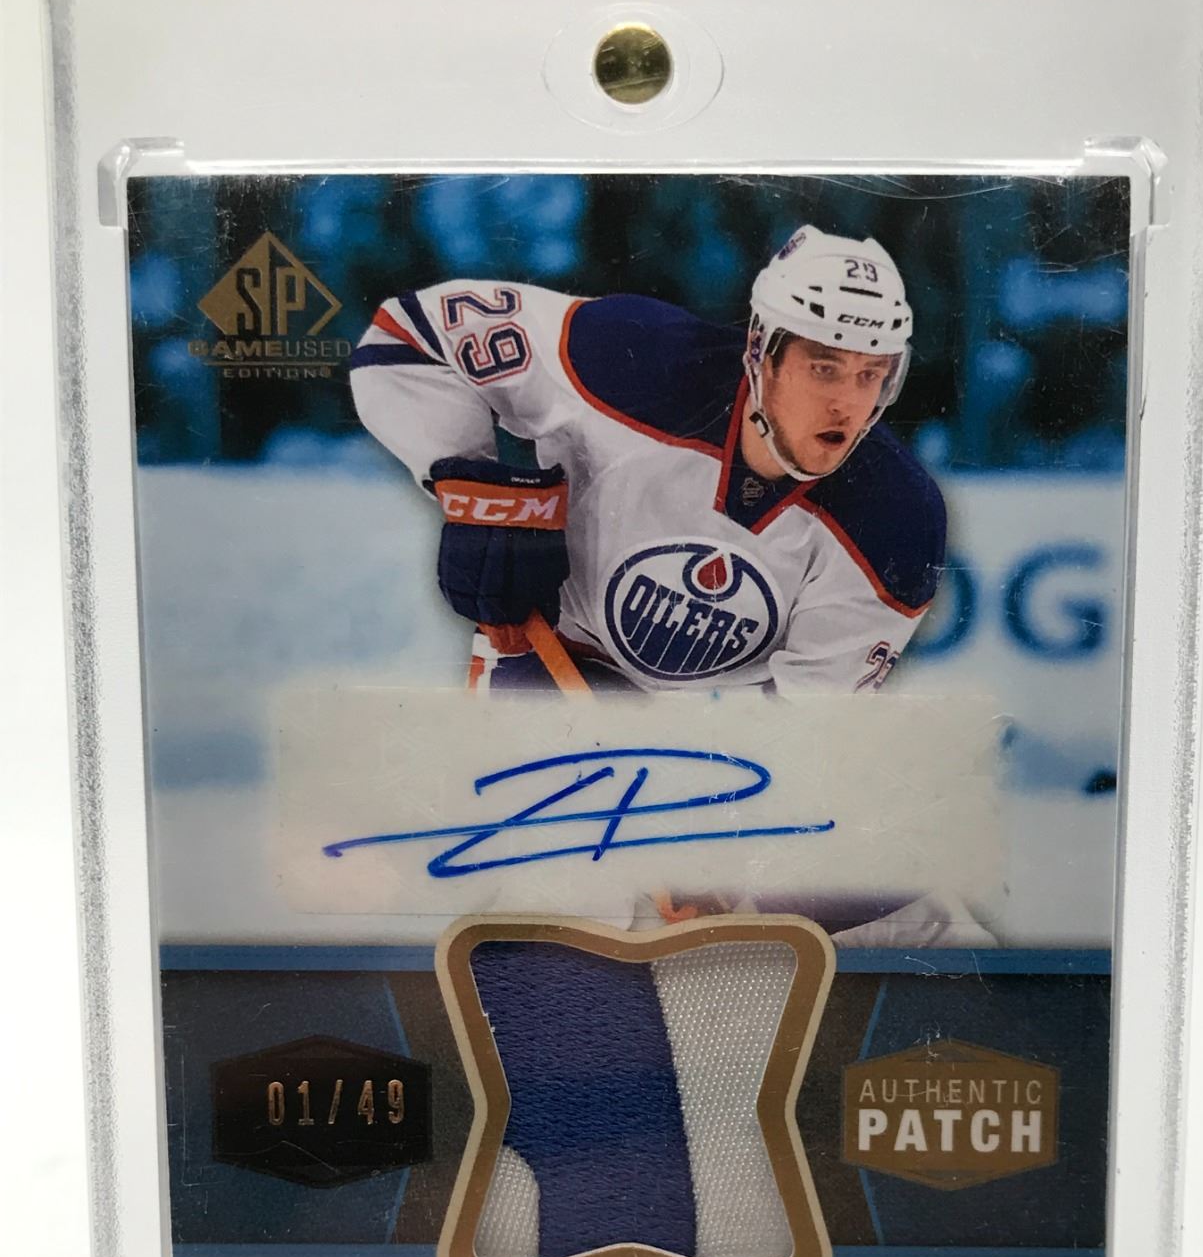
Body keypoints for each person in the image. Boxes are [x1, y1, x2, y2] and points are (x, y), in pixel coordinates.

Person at [350, 224, 992, 944]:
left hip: (729, 730)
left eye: (871, 375)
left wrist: (721, 838)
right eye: (824, 368)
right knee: (566, 908)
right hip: (556, 671)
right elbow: (405, 335)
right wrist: (471, 487)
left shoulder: (896, 520)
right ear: (761, 351)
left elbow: (806, 728)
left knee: (909, 925)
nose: (848, 404)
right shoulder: (629, 359)